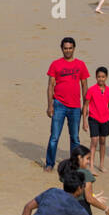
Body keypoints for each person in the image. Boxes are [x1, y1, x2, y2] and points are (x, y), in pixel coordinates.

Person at [44, 37, 88, 171]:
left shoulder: (80, 65)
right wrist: (50, 105)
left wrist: (86, 105)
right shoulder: (55, 64)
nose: (68, 50)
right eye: (65, 48)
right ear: (62, 49)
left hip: (75, 106)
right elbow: (50, 86)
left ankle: (74, 165)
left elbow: (84, 85)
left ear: (74, 48)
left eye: (70, 48)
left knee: (74, 138)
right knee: (54, 137)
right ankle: (50, 163)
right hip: (59, 105)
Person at [82, 67, 109, 172]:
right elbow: (85, 105)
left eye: (103, 77)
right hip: (93, 118)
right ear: (96, 77)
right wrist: (84, 121)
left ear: (106, 77)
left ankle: (101, 164)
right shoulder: (91, 90)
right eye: (99, 77)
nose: (101, 79)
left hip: (105, 119)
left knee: (103, 141)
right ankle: (91, 165)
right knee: (94, 141)